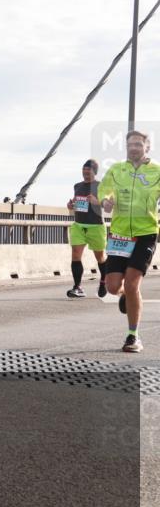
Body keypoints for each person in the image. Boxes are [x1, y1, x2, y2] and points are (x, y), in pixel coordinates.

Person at [99, 130, 160, 353]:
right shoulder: (117, 169)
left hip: (146, 233)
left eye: (138, 144)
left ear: (147, 147)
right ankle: (125, 294)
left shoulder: (157, 171)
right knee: (113, 287)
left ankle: (133, 336)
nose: (133, 148)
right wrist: (105, 201)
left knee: (133, 283)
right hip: (120, 234)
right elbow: (104, 189)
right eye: (130, 145)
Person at [65, 159, 108, 298]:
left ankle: (103, 281)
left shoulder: (101, 186)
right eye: (83, 170)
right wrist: (71, 206)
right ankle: (77, 287)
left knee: (100, 257)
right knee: (75, 254)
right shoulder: (77, 186)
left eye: (88, 171)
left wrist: (97, 201)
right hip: (79, 225)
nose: (85, 173)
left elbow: (108, 204)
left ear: (95, 172)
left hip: (96, 226)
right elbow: (76, 203)